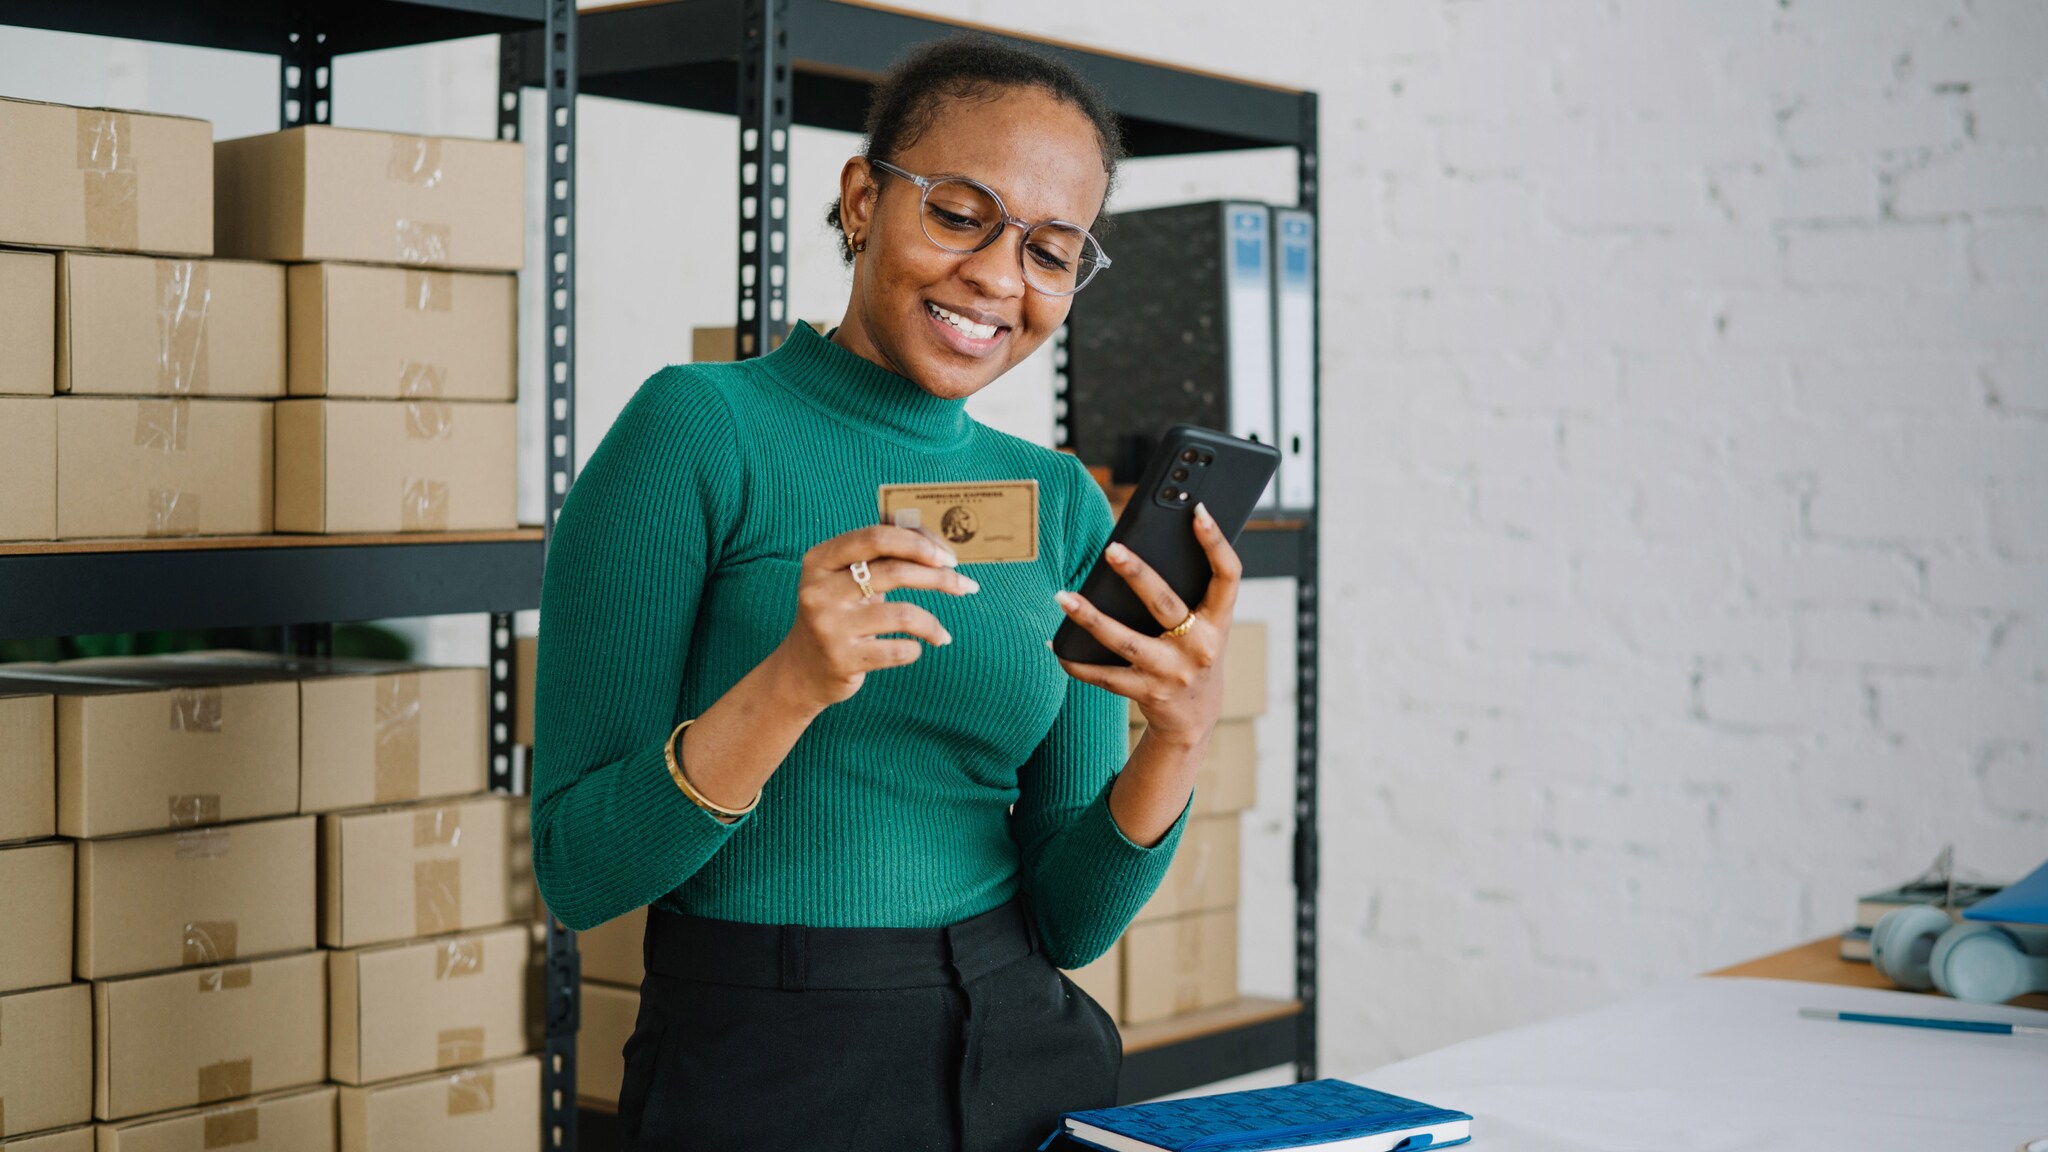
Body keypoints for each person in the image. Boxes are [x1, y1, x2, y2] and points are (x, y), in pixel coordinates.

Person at [531, 33, 1248, 1152]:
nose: (999, 279)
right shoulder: (695, 432)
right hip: (768, 1056)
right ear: (863, 198)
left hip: (1022, 1042)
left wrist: (1175, 739)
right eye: (959, 214)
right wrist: (790, 684)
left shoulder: (1058, 498)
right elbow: (578, 871)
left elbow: (1068, 921)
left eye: (1052, 252)